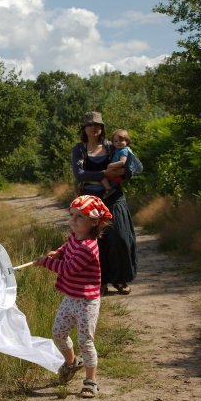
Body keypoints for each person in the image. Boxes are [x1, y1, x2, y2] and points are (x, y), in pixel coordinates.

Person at [33, 194, 112, 398]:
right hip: (71, 297)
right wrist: (58, 252)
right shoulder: (75, 237)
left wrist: (46, 262)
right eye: (72, 215)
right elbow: (67, 248)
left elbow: (69, 269)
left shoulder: (88, 247)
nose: (73, 220)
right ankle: (71, 362)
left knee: (85, 341)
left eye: (79, 217)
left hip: (87, 302)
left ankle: (90, 381)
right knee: (58, 332)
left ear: (94, 222)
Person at [71, 111, 137, 296]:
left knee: (121, 239)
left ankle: (120, 280)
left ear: (102, 128)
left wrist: (122, 174)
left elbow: (128, 169)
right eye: (91, 125)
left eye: (98, 125)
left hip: (114, 198)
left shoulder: (112, 146)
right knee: (95, 242)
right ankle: (99, 283)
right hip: (89, 202)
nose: (95, 128)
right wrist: (105, 173)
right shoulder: (80, 149)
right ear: (84, 128)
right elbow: (79, 174)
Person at [101, 129, 135, 199]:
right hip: (115, 172)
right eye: (116, 141)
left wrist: (110, 165)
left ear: (127, 141)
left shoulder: (124, 151)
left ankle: (109, 189)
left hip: (117, 172)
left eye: (121, 140)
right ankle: (110, 188)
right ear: (113, 143)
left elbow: (122, 162)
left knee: (101, 176)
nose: (118, 143)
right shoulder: (118, 150)